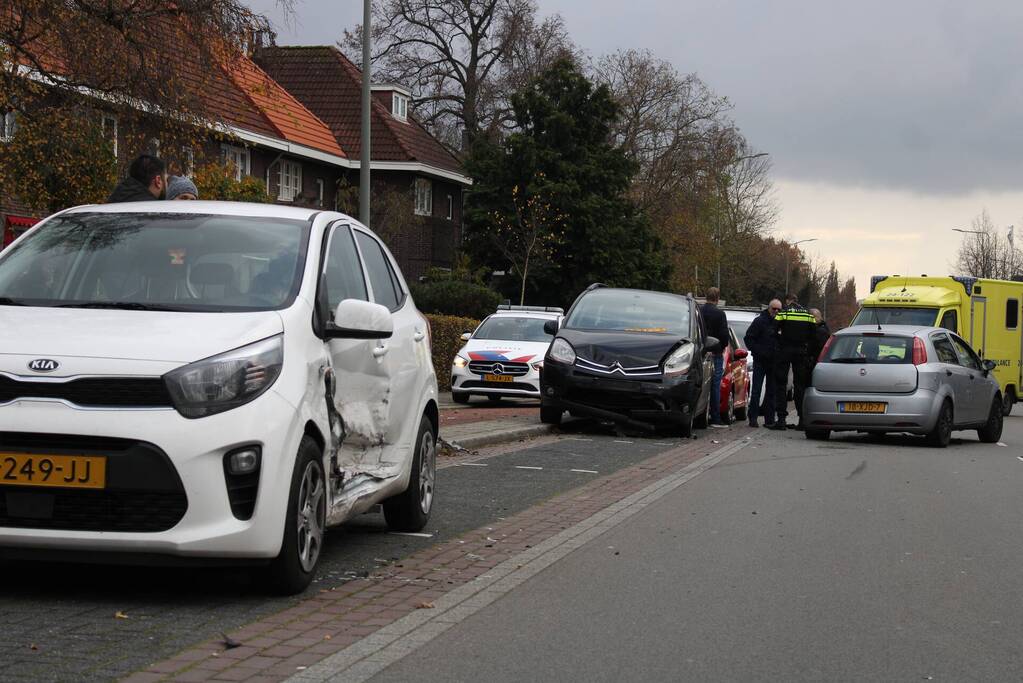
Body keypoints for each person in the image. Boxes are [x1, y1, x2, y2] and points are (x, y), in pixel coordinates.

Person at [770, 292, 817, 430]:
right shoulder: (808, 315)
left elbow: (773, 331)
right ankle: (802, 420)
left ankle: (781, 420)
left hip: (785, 351)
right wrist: (805, 348)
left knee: (781, 384)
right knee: (799, 386)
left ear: (788, 301)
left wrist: (781, 341)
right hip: (801, 352)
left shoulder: (784, 313)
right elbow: (813, 336)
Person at [744, 299, 781, 428]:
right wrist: (758, 351)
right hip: (760, 361)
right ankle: (753, 418)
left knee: (771, 391)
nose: (776, 311)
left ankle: (769, 419)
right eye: (774, 309)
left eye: (778, 309)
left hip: (774, 361)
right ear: (769, 308)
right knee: (756, 391)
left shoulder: (780, 323)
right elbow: (748, 338)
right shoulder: (760, 321)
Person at [701, 287, 730, 427]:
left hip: (699, 352)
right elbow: (724, 335)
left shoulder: (698, 311)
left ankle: (700, 413)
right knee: (715, 385)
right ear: (718, 298)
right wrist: (722, 346)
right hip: (715, 353)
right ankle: (715, 417)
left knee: (700, 383)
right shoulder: (720, 314)